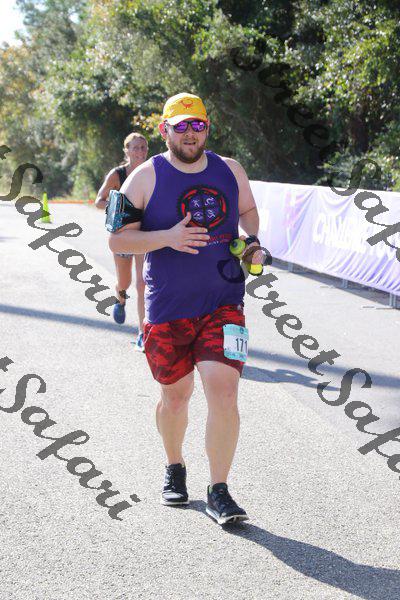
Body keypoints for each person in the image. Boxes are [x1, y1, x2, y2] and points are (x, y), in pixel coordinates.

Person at [108, 92, 263, 525]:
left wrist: (252, 241)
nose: (191, 133)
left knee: (224, 391)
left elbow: (249, 211)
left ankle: (219, 491)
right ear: (165, 130)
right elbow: (118, 240)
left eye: (198, 125)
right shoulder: (143, 177)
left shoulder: (230, 170)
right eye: (181, 126)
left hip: (223, 303)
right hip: (168, 308)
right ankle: (174, 466)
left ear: (207, 128)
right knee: (175, 398)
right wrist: (167, 238)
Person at [95, 132, 148, 351]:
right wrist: (119, 208)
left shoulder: (152, 171)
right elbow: (99, 201)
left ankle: (143, 333)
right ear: (126, 150)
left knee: (142, 284)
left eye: (143, 147)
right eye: (135, 148)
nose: (140, 152)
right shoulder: (118, 174)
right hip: (124, 234)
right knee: (125, 282)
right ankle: (120, 298)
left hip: (146, 235)